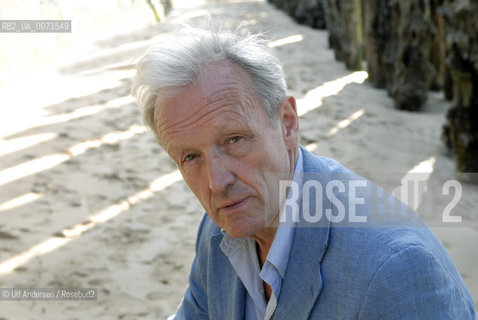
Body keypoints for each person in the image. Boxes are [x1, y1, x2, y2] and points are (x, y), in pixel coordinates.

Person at [131, 25, 476, 319]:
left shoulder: (395, 268)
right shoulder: (218, 230)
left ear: (287, 123)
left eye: (234, 140)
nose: (217, 182)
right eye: (191, 157)